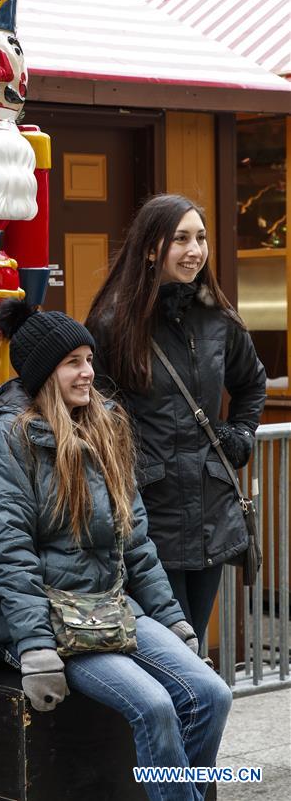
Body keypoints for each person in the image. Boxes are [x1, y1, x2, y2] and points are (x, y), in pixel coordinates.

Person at [0, 299, 233, 801]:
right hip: (40, 620)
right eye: (73, 363)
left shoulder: (105, 430)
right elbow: (8, 555)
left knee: (210, 694)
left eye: (89, 360)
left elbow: (135, 541)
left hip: (109, 608)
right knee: (153, 705)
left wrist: (171, 619)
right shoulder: (6, 443)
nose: (89, 372)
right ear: (44, 373)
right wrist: (37, 649)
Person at [85, 193, 266, 647]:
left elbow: (252, 383)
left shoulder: (218, 319)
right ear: (151, 248)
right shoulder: (113, 322)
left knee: (193, 643)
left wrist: (240, 434)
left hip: (210, 509)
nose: (195, 250)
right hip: (148, 513)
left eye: (201, 238)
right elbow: (94, 410)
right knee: (168, 650)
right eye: (181, 238)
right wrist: (127, 467)